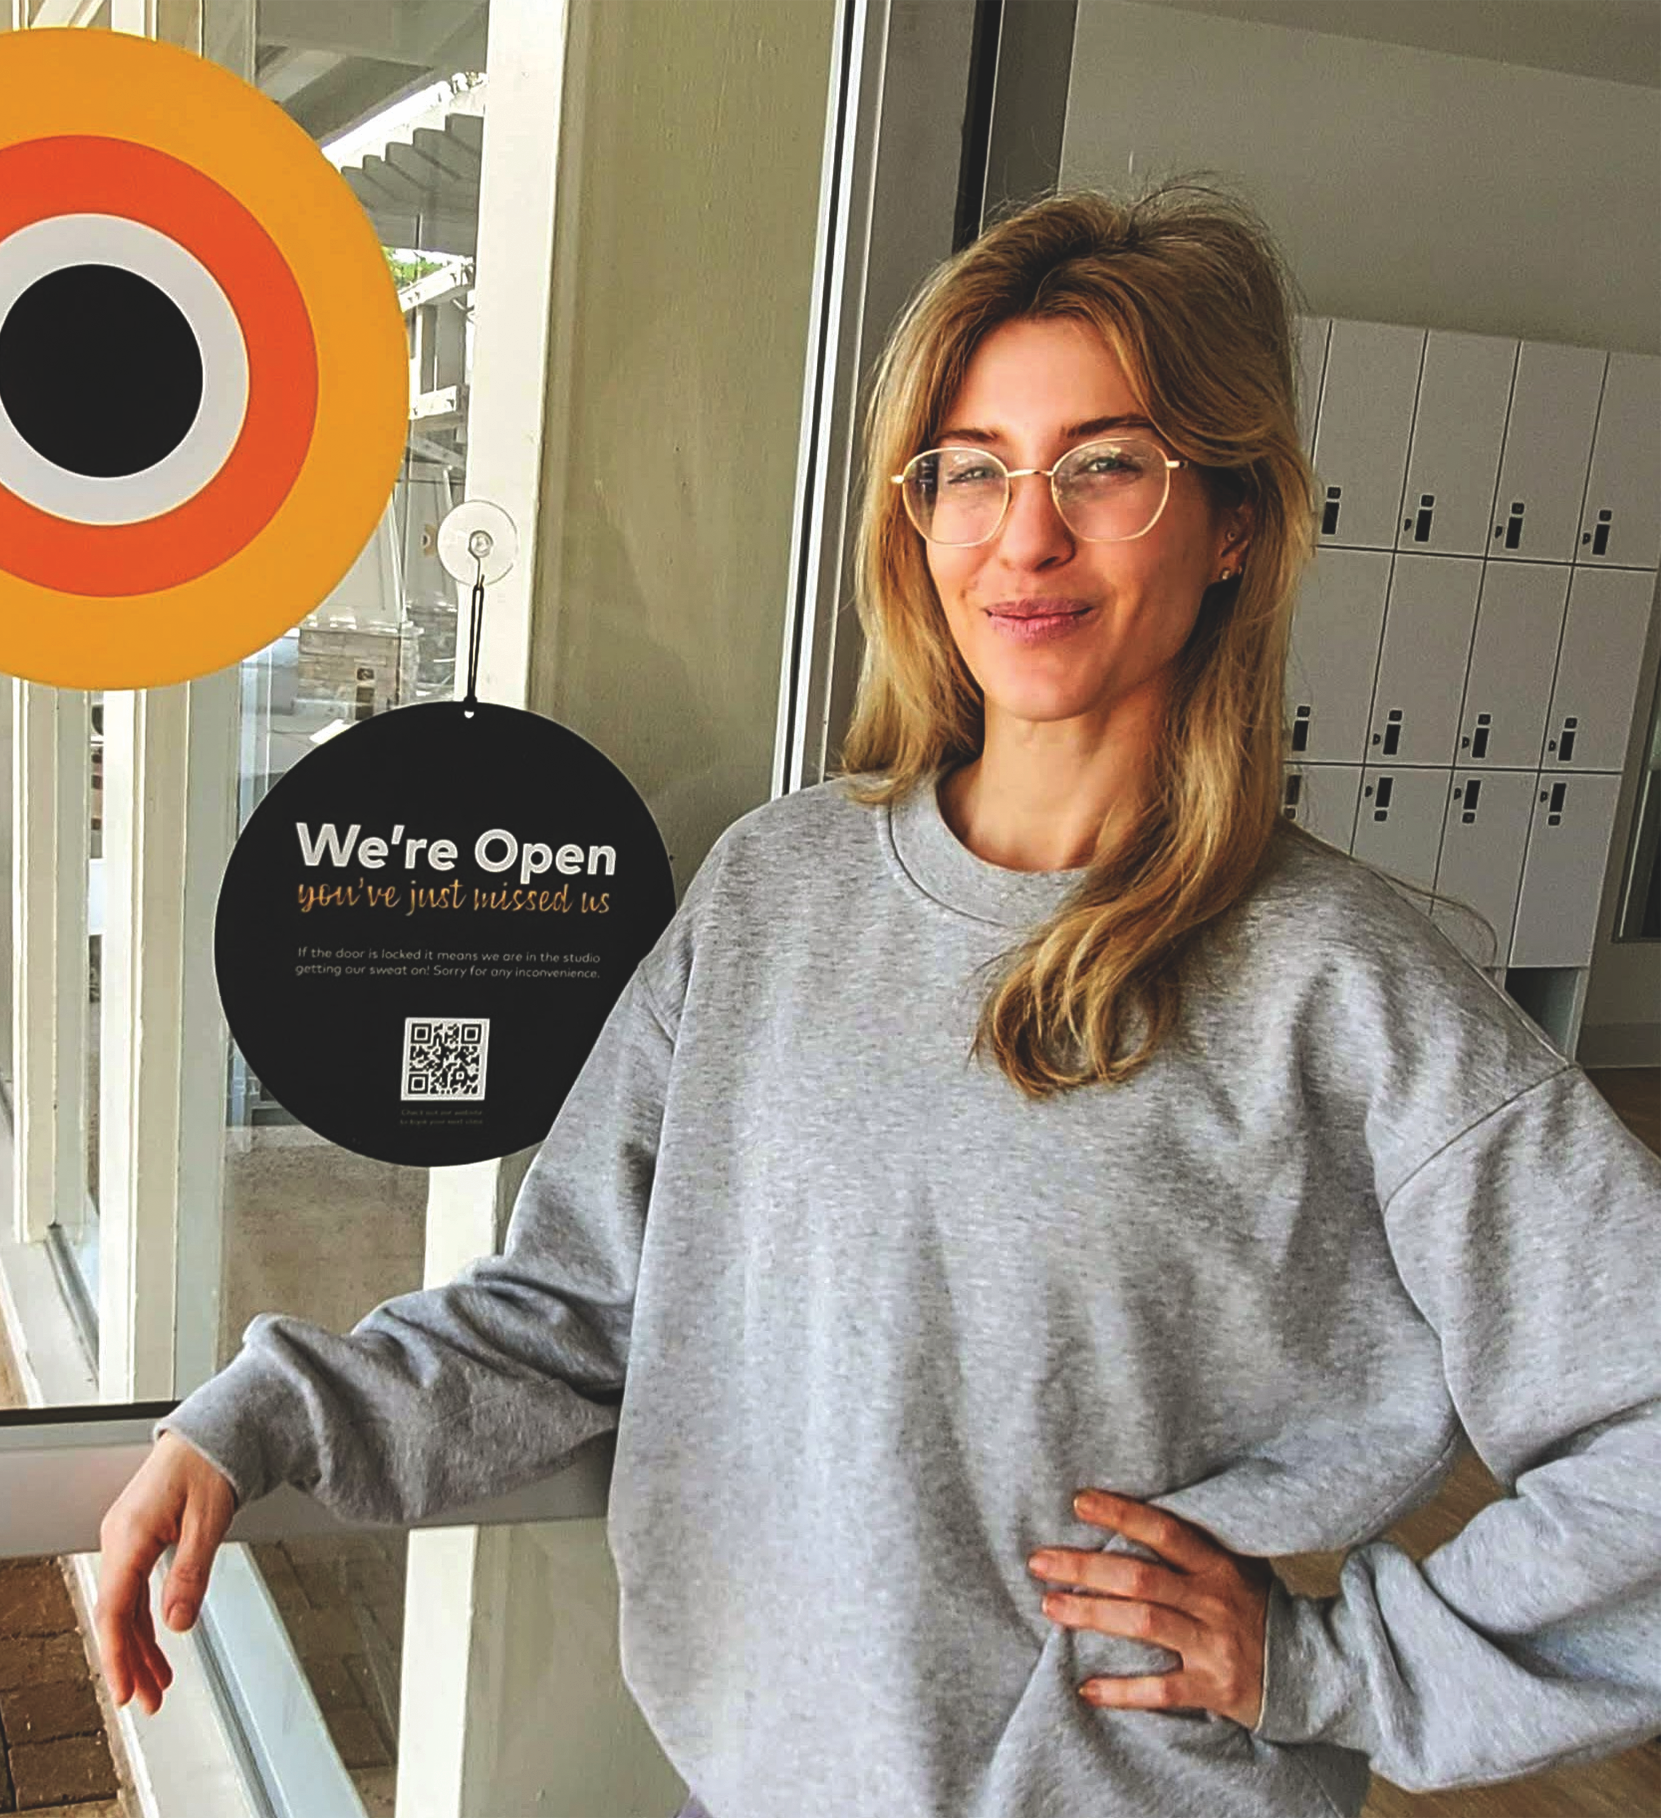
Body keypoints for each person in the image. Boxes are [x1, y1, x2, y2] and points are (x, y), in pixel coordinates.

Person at [95, 185, 1661, 1816]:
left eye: (1106, 464)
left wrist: (1332, 1663)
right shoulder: (779, 888)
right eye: (971, 468)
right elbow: (572, 1309)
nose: (1024, 534)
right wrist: (261, 1417)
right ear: (916, 519)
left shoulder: (1342, 983)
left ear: (1238, 520)